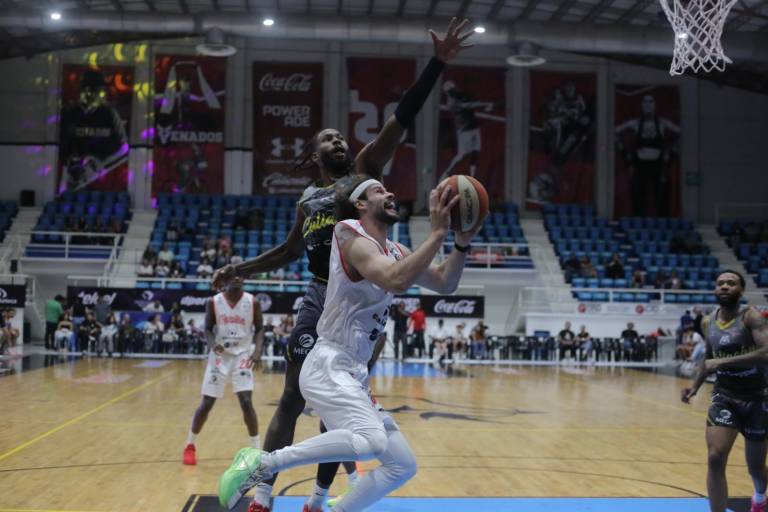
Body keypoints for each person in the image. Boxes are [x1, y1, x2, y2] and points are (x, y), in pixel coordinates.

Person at [212, 19, 474, 512]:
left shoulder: (365, 174)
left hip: (363, 301)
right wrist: (239, 269)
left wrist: (437, 64)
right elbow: (288, 251)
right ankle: (262, 489)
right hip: (325, 295)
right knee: (296, 399)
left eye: (341, 137)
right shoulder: (313, 202)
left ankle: (320, 499)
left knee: (345, 415)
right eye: (327, 139)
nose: (338, 142)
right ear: (313, 154)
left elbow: (402, 116)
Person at [218, 171, 482, 512]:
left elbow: (445, 283)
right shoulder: (348, 233)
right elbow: (395, 280)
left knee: (402, 465)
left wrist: (461, 243)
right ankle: (262, 463)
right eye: (378, 191)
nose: (389, 194)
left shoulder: (396, 250)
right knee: (371, 441)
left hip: (353, 372)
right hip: (328, 362)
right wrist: (438, 233)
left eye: (388, 189)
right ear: (360, 204)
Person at [681, 270, 768, 512]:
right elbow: (709, 359)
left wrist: (723, 362)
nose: (725, 287)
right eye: (720, 283)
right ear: (715, 289)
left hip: (757, 397)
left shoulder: (751, 316)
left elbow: (766, 353)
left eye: (731, 283)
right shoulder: (708, 321)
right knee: (715, 457)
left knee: (756, 468)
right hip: (725, 396)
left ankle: (759, 497)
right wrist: (694, 387)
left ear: (741, 290)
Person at [183, 275, 265, 466]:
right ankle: (190, 445)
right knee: (207, 403)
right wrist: (213, 345)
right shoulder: (214, 302)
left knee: (246, 401)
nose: (236, 278)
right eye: (232, 275)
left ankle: (256, 450)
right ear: (224, 280)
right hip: (220, 355)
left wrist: (258, 351)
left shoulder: (252, 302)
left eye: (239, 274)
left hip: (242, 354)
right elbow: (207, 329)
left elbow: (260, 328)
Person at [615, 93, 680, 217]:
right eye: (645, 101)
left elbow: (682, 132)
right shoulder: (634, 123)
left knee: (660, 195)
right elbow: (615, 132)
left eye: (651, 101)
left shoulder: (663, 123)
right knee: (638, 196)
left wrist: (672, 151)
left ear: (655, 105)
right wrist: (624, 151)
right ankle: (638, 221)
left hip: (657, 165)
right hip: (640, 165)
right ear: (641, 105)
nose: (648, 104)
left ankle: (662, 222)